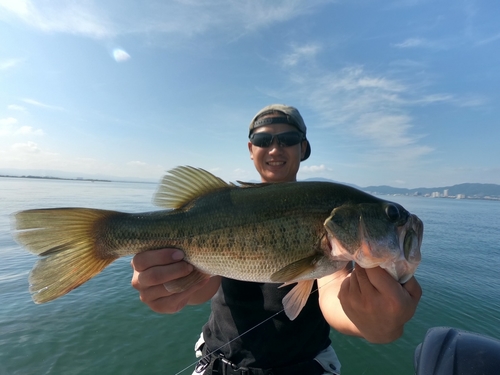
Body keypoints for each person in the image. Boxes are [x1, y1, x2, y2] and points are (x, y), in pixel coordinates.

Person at [130, 104, 422, 375]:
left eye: (288, 138)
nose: (274, 148)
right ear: (250, 148)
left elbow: (333, 288)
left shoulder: (327, 222)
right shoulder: (224, 208)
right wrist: (171, 290)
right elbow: (202, 287)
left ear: (303, 147)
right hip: (218, 360)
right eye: (263, 140)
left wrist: (373, 324)